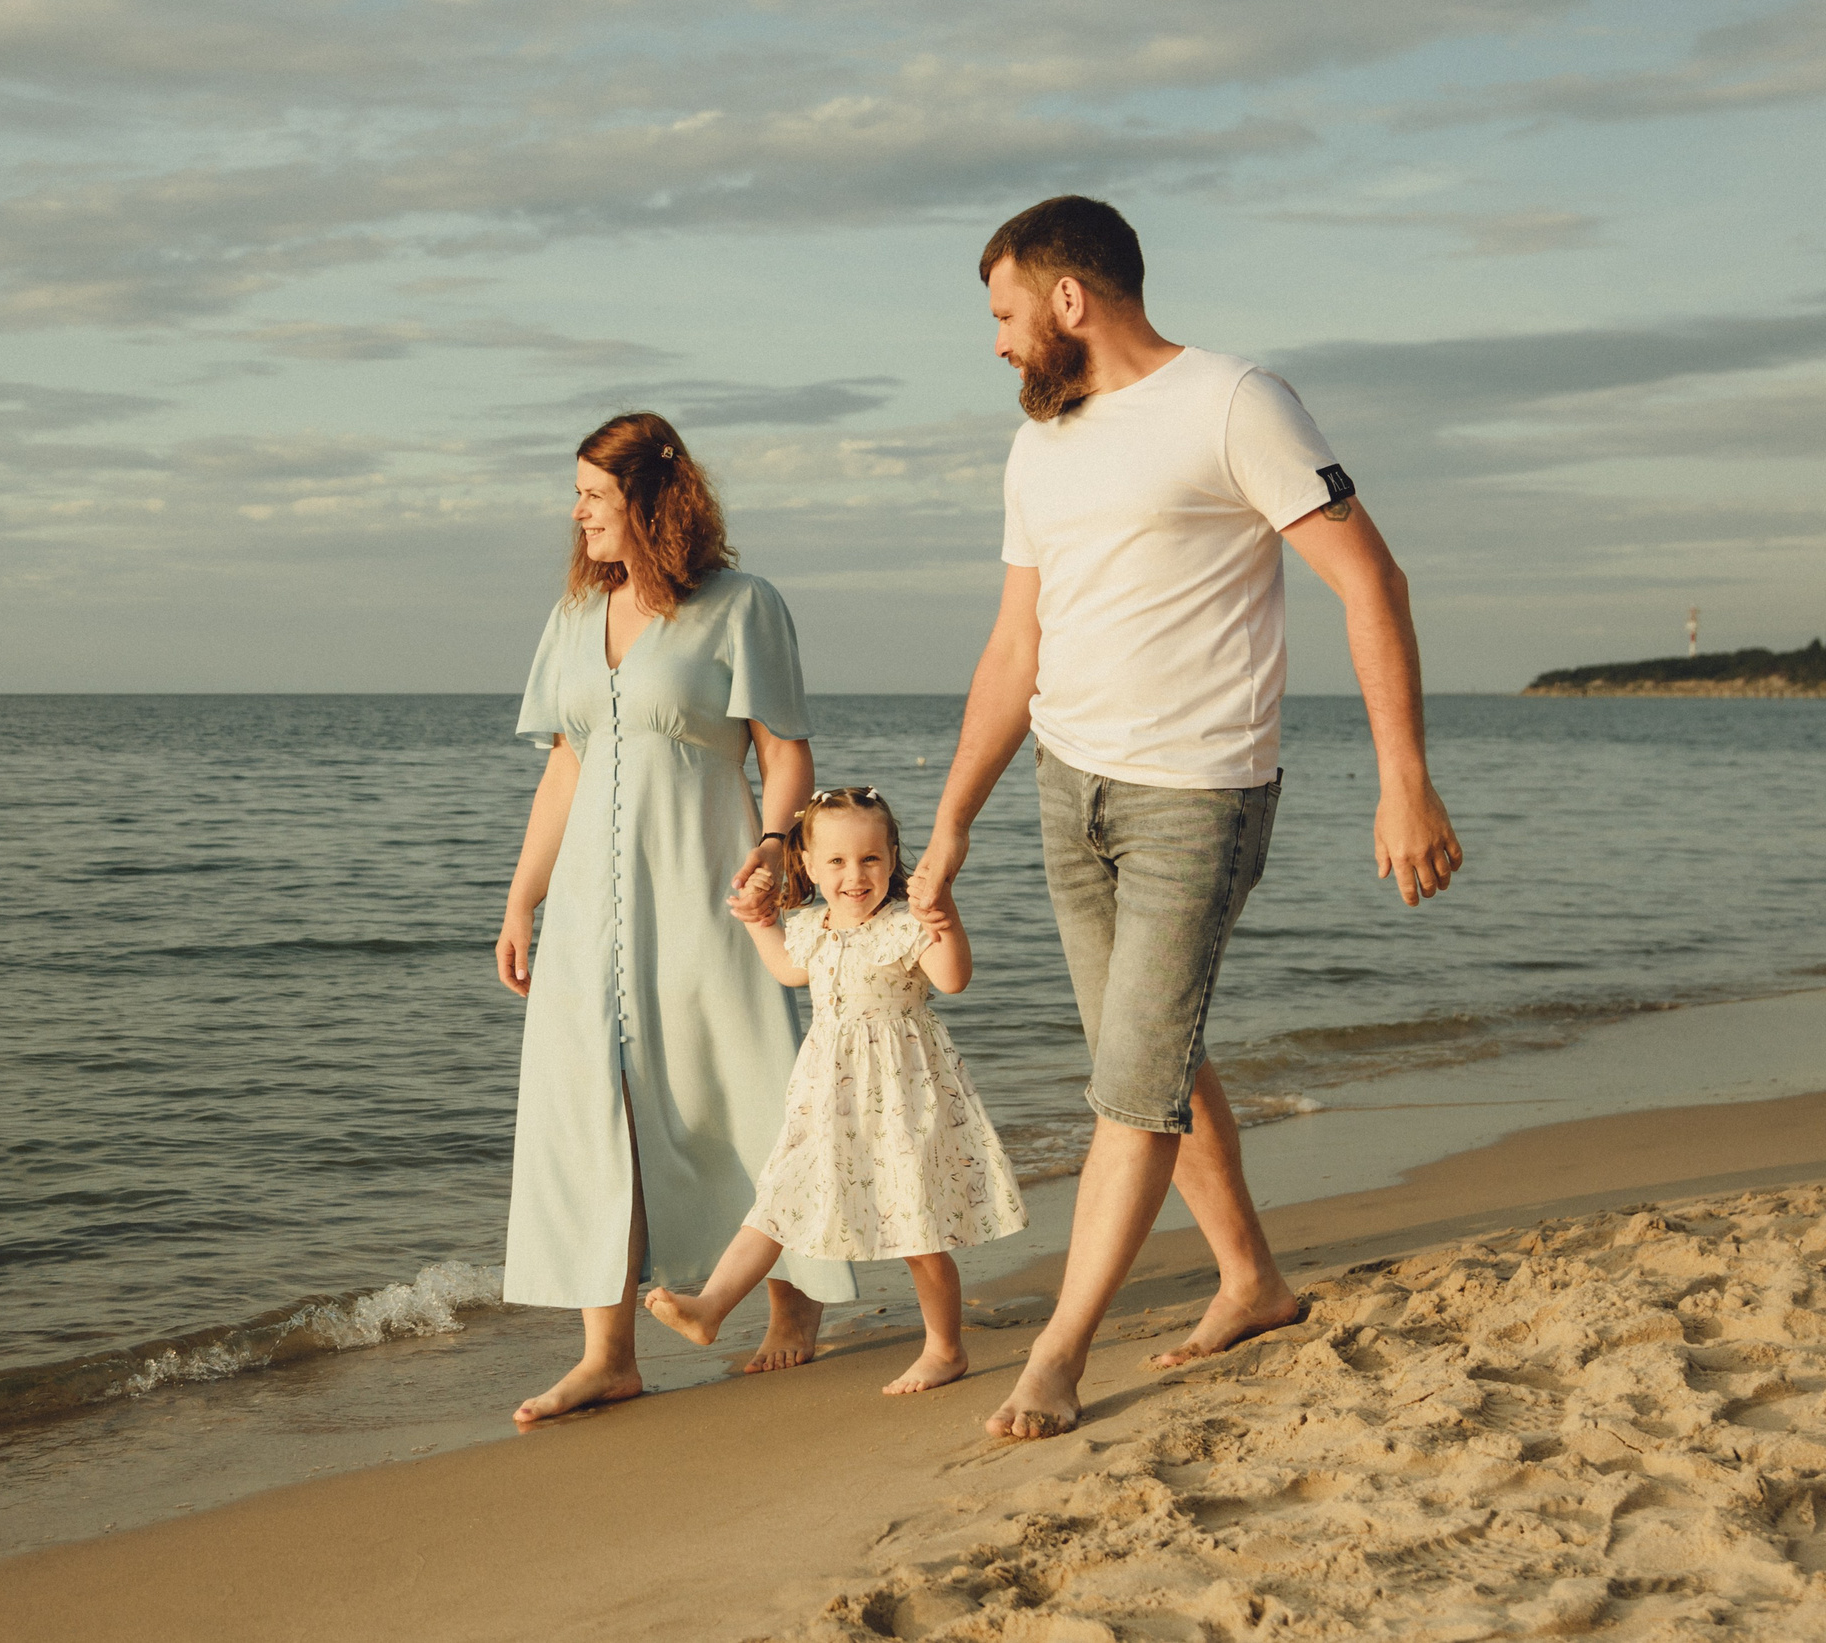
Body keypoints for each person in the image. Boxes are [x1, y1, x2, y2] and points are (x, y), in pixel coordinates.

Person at [905, 195, 1465, 1441]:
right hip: (1069, 786)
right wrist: (949, 830)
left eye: (1002, 314)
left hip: (1197, 795)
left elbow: (1368, 574)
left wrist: (1404, 778)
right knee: (1140, 1054)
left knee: (1132, 1082)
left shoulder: (1233, 400)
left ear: (1066, 299)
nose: (994, 343)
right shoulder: (1038, 447)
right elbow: (1013, 648)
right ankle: (1251, 1279)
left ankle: (1057, 1350)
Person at [496, 412, 857, 1425]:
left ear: (652, 501)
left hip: (707, 888)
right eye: (577, 497)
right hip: (587, 914)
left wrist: (775, 854)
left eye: (595, 498)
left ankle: (795, 1301)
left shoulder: (743, 606)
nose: (578, 517)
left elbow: (783, 749)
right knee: (589, 1107)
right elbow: (567, 764)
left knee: (743, 1083)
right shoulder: (575, 615)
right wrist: (523, 898)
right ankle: (607, 1354)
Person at [644, 787, 1027, 1395]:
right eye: (838, 862)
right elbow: (788, 971)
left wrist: (942, 909)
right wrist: (760, 923)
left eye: (871, 859)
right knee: (778, 1199)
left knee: (916, 1225)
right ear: (810, 866)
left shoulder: (905, 924)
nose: (855, 875)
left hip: (903, 1097)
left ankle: (945, 1349)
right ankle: (711, 1307)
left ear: (894, 856)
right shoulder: (810, 928)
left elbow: (953, 980)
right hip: (827, 1097)